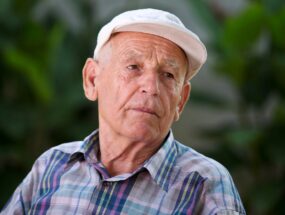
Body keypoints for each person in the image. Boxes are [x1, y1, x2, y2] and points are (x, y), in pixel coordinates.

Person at [1, 8, 245, 215]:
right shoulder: (52, 166)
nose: (151, 88)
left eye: (168, 75)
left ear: (181, 100)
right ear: (92, 79)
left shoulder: (204, 184)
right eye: (133, 67)